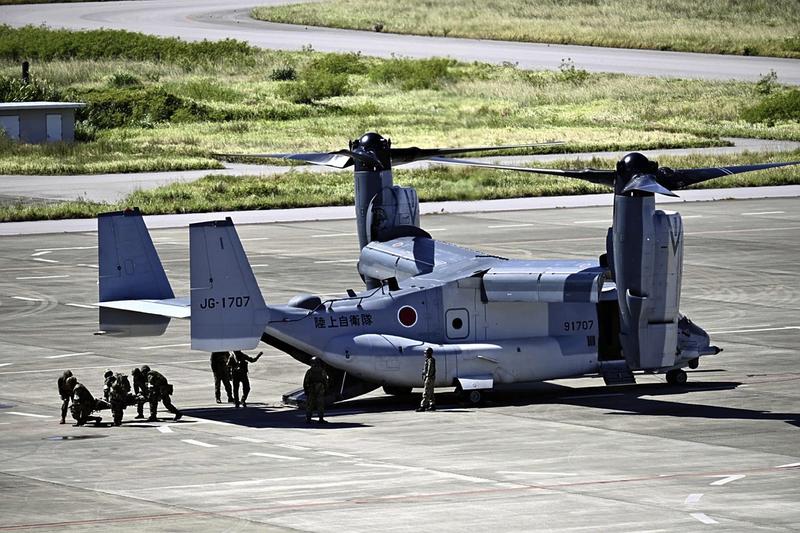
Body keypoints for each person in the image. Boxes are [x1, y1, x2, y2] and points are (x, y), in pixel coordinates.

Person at [303, 357, 329, 423]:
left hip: (312, 389)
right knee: (320, 404)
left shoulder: (310, 371)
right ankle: (320, 418)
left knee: (310, 404)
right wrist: (326, 389)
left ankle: (308, 418)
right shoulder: (322, 371)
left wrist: (306, 390)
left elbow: (306, 381)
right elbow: (325, 381)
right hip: (320, 389)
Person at [416, 347, 436, 412]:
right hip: (431, 378)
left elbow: (430, 369)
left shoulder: (430, 360)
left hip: (429, 378)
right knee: (431, 392)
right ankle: (432, 405)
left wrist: (427, 376)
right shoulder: (430, 360)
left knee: (426, 392)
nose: (425, 354)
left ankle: (423, 406)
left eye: (426, 353)